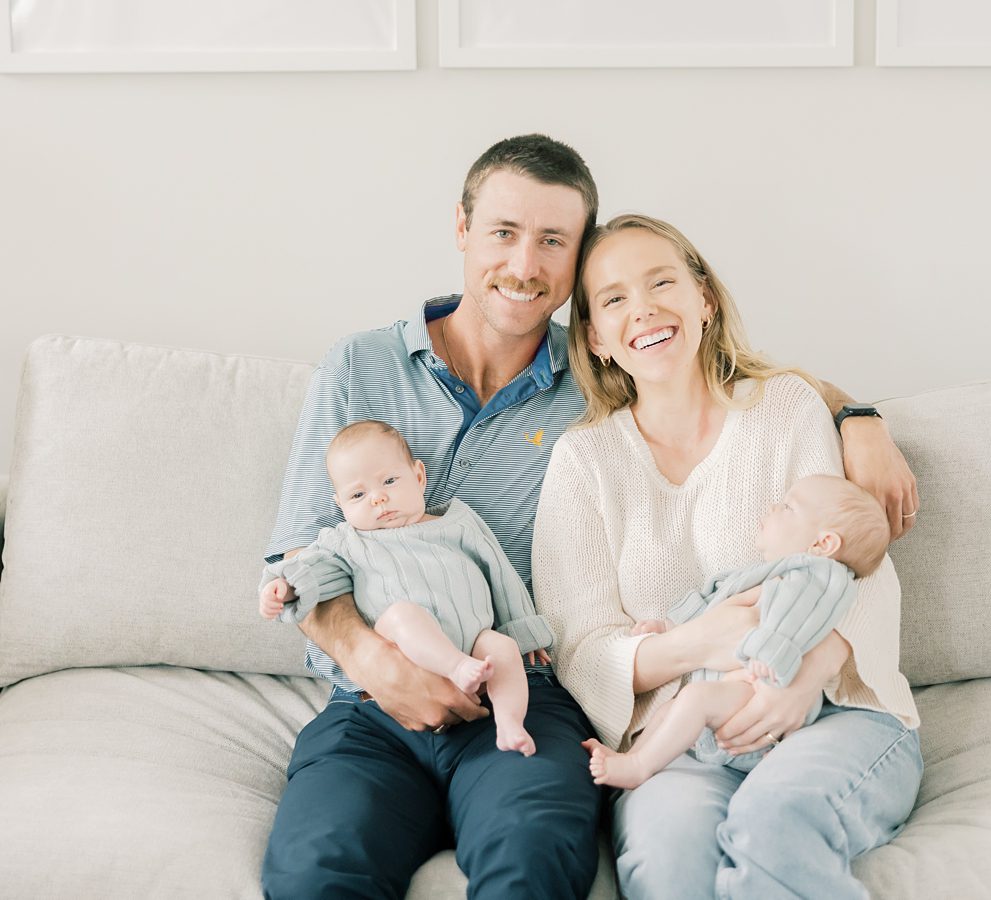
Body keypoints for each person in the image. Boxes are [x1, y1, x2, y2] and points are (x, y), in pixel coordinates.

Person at [260, 134, 917, 899]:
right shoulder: (368, 369)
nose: (524, 264)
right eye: (504, 232)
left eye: (552, 242)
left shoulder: (593, 379)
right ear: (463, 229)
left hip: (526, 692)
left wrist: (860, 415)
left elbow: (747, 383)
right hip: (376, 703)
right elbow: (296, 559)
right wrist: (378, 664)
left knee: (538, 859)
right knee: (316, 871)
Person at [532, 213, 924, 900]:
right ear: (594, 337)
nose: (644, 308)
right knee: (669, 867)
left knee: (775, 822)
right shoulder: (582, 461)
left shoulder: (785, 409)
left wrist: (808, 675)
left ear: (704, 299)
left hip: (828, 712)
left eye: (662, 282)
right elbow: (580, 648)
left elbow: (853, 564)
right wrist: (694, 643)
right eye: (615, 298)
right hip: (682, 739)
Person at [259, 420, 553, 756]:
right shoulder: (348, 542)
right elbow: (318, 573)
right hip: (403, 652)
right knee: (403, 615)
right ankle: (454, 667)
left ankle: (510, 724)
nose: (378, 498)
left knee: (502, 647)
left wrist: (526, 631)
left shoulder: (458, 523)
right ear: (340, 505)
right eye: (358, 494)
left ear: (418, 477)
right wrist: (287, 587)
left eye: (389, 481)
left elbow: (501, 575)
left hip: (474, 642)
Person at [583, 473, 891, 789]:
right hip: (737, 694)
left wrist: (769, 653)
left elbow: (794, 617)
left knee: (693, 700)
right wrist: (669, 627)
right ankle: (633, 758)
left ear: (823, 543)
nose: (772, 507)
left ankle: (638, 766)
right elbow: (717, 601)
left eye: (787, 507)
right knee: (669, 710)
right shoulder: (769, 574)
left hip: (764, 687)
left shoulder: (819, 575)